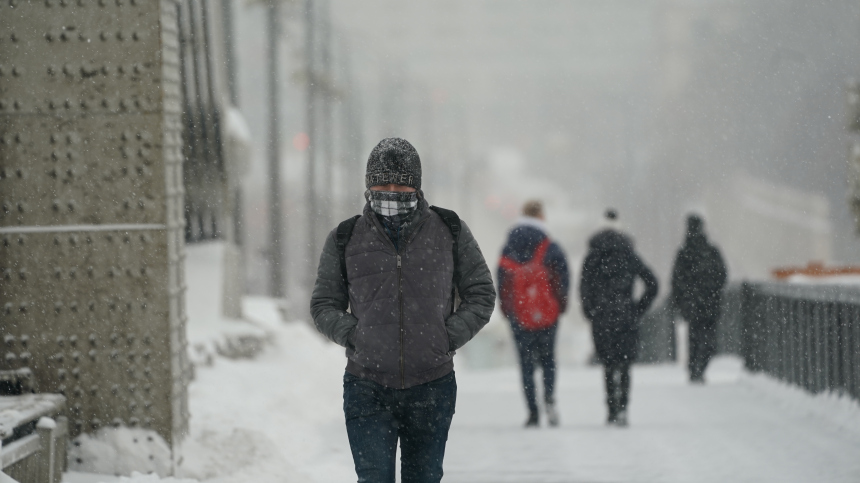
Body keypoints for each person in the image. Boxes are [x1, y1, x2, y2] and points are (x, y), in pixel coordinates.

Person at [310, 138, 496, 483]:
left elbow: (481, 294)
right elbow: (323, 304)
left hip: (432, 386)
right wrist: (355, 335)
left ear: (417, 184)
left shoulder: (448, 229)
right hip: (367, 387)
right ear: (368, 185)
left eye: (400, 182)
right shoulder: (345, 237)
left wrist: (445, 336)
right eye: (382, 183)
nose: (391, 191)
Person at [579, 209, 658, 427]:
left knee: (607, 364)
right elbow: (652, 283)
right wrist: (638, 308)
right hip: (626, 315)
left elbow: (584, 286)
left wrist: (590, 310)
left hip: (602, 317)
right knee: (624, 365)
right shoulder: (629, 254)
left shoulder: (593, 254)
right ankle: (623, 407)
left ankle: (611, 408)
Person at [497, 200, 569, 428]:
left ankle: (533, 412)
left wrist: (507, 308)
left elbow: (502, 278)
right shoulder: (549, 245)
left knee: (526, 365)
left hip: (519, 312)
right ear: (540, 217)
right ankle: (549, 397)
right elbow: (563, 276)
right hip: (548, 312)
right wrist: (560, 304)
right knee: (548, 360)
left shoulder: (509, 246)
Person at [671, 214, 727, 383]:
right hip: (710, 302)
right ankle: (700, 366)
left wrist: (680, 300)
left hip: (692, 304)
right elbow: (722, 275)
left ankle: (694, 367)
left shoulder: (683, 253)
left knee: (694, 335)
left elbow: (676, 280)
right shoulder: (711, 251)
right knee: (708, 338)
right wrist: (712, 290)